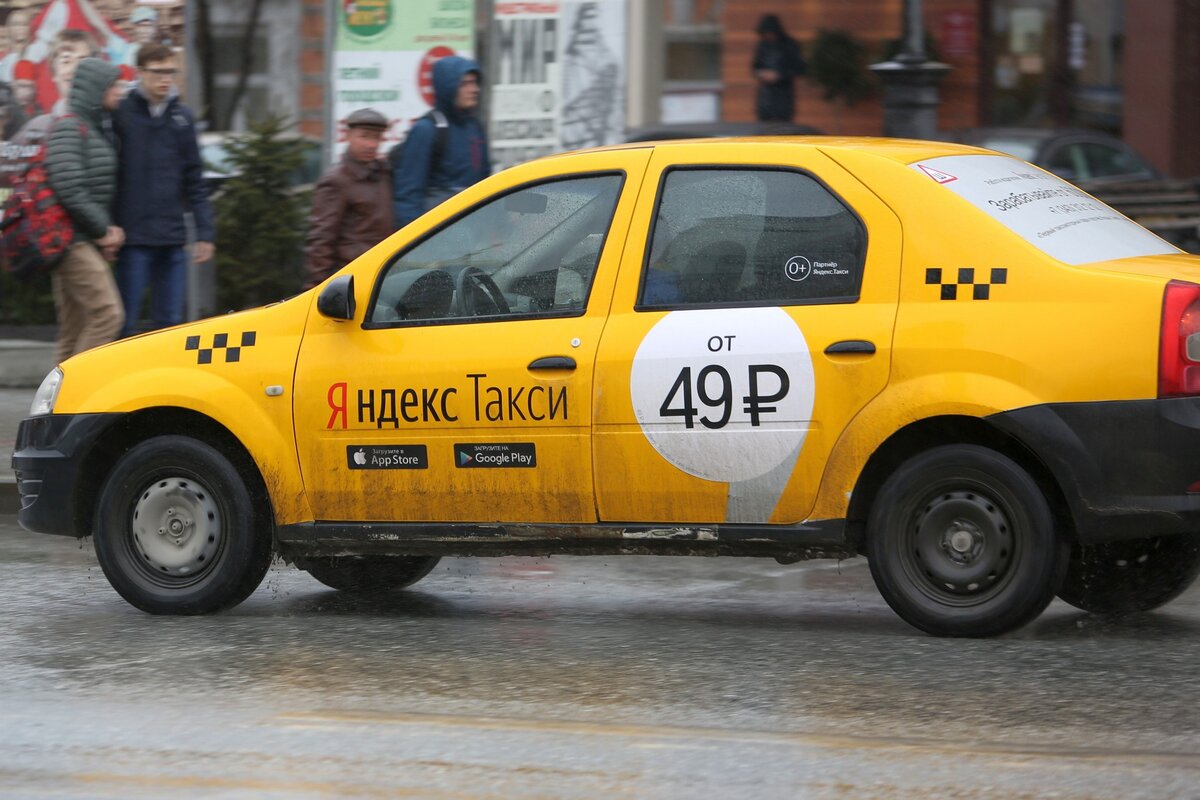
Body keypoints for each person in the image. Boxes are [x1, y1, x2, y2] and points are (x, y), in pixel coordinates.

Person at [112, 43, 213, 338]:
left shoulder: (182, 118)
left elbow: (194, 177)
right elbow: (110, 175)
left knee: (170, 326)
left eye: (170, 71)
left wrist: (205, 232)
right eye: (157, 72)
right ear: (140, 72)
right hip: (133, 238)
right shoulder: (123, 114)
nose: (165, 79)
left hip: (172, 237)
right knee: (125, 323)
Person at [44, 57, 125, 362]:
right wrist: (102, 231)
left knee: (74, 327)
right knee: (108, 314)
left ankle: (55, 406)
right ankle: (74, 395)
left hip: (78, 239)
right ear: (96, 89)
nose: (119, 91)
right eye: (113, 85)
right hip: (72, 241)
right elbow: (69, 188)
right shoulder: (69, 128)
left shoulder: (90, 128)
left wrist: (102, 230)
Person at [392, 55, 489, 228]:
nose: (474, 89)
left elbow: (485, 180)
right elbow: (409, 195)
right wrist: (416, 244)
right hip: (440, 235)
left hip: (472, 232)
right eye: (465, 83)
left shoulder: (474, 127)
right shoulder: (427, 129)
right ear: (447, 86)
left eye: (475, 82)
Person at [304, 107, 394, 288]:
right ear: (348, 136)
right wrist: (320, 290)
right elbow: (321, 240)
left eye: (376, 137)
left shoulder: (382, 173)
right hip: (350, 281)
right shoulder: (336, 181)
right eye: (365, 136)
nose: (371, 144)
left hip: (381, 275)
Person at [752, 14, 806, 123]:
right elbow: (754, 67)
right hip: (765, 98)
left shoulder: (790, 45)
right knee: (764, 129)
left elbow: (799, 68)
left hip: (783, 96)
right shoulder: (762, 46)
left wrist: (779, 75)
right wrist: (761, 73)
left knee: (783, 129)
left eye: (770, 32)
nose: (768, 36)